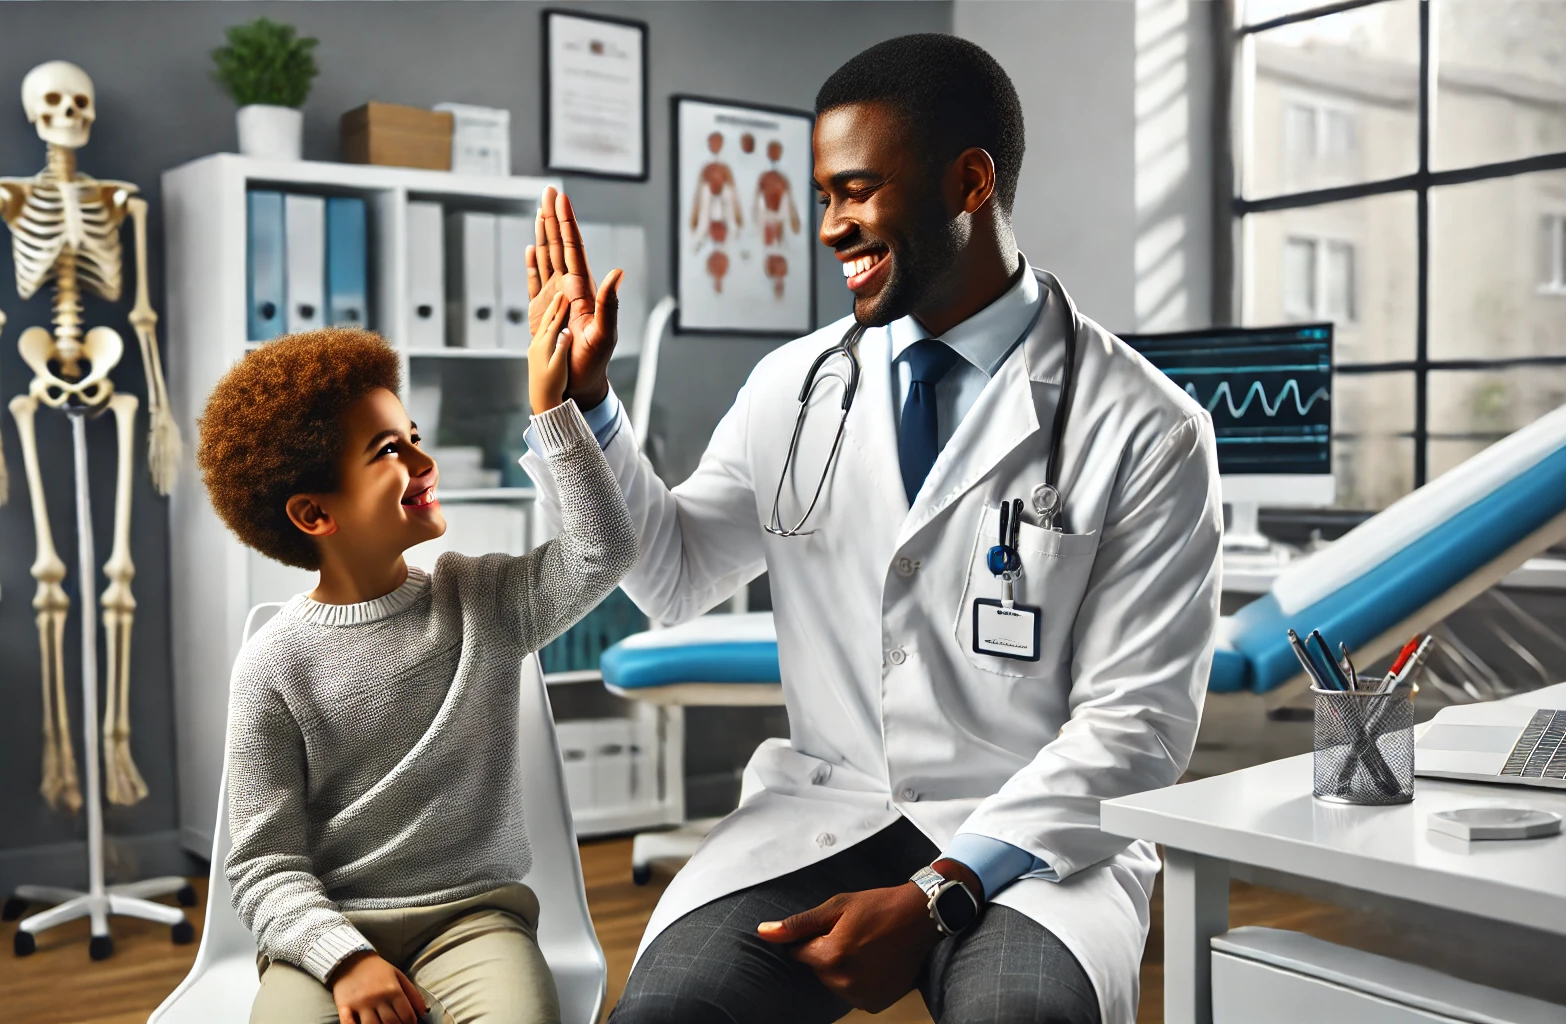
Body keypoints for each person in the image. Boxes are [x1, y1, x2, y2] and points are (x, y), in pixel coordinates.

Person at [519, 33, 1223, 1024]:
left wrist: (940, 889)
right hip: (828, 809)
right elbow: (671, 574)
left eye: (855, 191)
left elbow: (1135, 726)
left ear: (968, 183)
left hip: (1029, 837)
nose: (829, 226)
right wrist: (587, 409)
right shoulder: (793, 386)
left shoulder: (1145, 426)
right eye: (823, 197)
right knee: (667, 1013)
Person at [195, 299, 635, 1024]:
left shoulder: (482, 602)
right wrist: (343, 958)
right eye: (389, 450)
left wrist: (553, 411)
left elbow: (603, 550)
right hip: (325, 931)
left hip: (472, 921)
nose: (424, 462)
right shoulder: (273, 665)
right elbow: (262, 863)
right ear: (314, 515)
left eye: (413, 437)